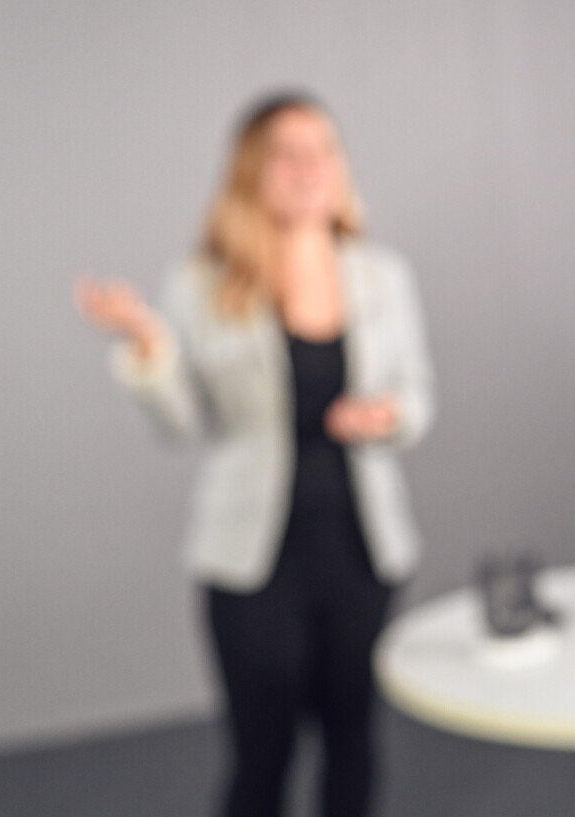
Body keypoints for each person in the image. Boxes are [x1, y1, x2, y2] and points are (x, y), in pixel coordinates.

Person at [73, 92, 434, 817]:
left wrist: (386, 413)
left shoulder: (382, 275)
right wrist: (147, 343)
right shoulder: (204, 282)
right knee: (262, 755)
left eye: (323, 149)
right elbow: (180, 419)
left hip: (362, 552)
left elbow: (417, 397)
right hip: (252, 559)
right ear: (252, 170)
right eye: (288, 153)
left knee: (353, 740)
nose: (309, 168)